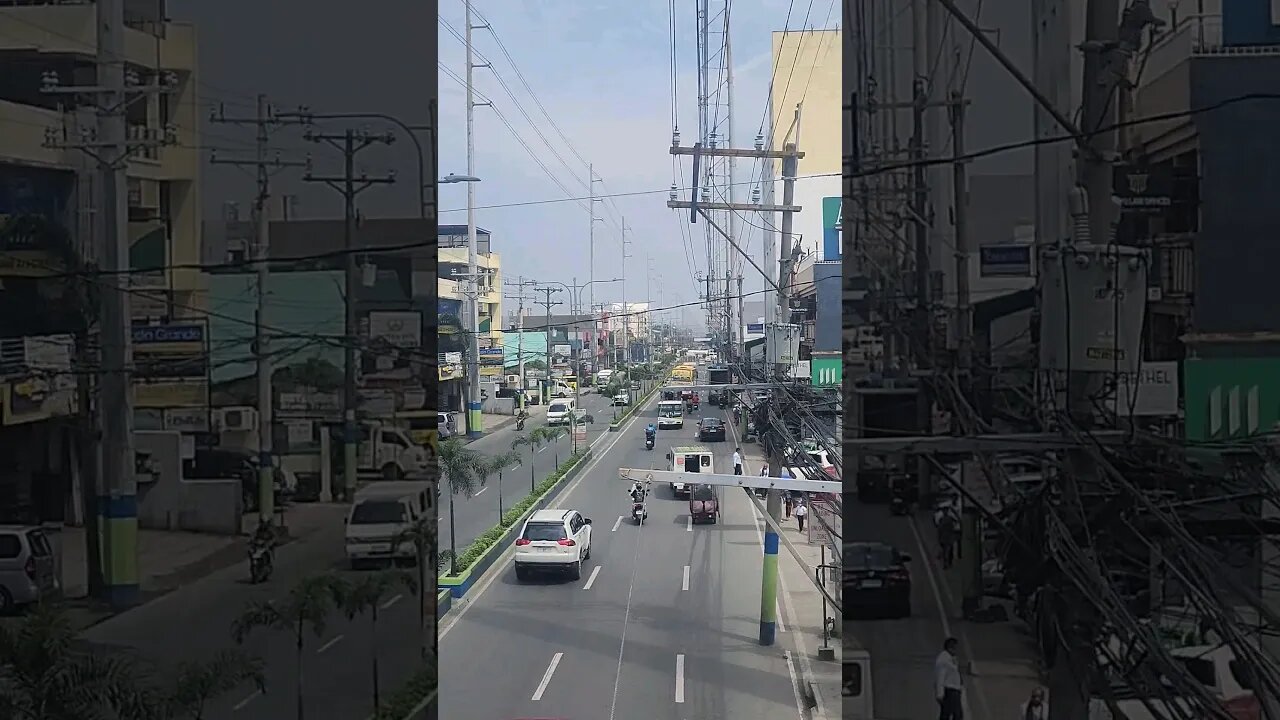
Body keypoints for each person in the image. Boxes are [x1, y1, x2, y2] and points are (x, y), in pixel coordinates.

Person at [934, 637, 964, 720]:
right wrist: (940, 694)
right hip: (950, 691)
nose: (956, 650)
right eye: (955, 647)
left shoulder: (951, 658)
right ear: (950, 647)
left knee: (949, 714)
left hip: (954, 691)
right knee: (955, 715)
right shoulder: (943, 660)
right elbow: (940, 677)